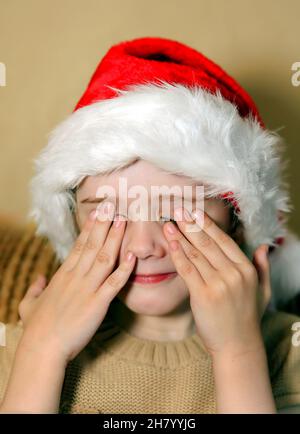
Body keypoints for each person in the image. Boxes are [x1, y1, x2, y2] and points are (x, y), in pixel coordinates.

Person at [1, 36, 300, 414]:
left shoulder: (288, 352)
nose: (143, 245)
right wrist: (42, 351)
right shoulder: (23, 349)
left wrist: (238, 351)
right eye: (111, 214)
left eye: (175, 211)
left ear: (238, 221)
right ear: (73, 223)